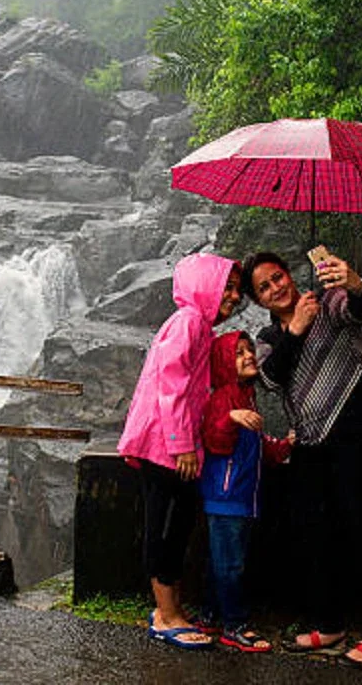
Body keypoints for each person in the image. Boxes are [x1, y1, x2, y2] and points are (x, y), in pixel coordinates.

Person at [241, 249, 362, 669]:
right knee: (312, 530)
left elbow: (361, 310)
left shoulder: (328, 302)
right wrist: (295, 330)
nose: (275, 288)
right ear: (258, 301)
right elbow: (271, 379)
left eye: (277, 278)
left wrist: (355, 282)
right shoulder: (268, 338)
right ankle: (328, 623)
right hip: (313, 440)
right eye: (264, 288)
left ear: (289, 276)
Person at [118, 252, 242, 651]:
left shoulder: (198, 326)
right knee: (166, 527)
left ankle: (170, 610)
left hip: (171, 446)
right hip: (165, 447)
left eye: (238, 290)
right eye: (228, 287)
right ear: (204, 286)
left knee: (178, 523)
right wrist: (182, 444)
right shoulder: (188, 322)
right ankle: (164, 615)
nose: (235, 297)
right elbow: (170, 386)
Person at [197, 331, 293, 653]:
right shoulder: (223, 398)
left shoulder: (245, 395)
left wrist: (282, 448)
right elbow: (213, 437)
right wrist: (230, 418)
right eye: (238, 353)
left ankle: (209, 616)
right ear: (224, 365)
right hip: (226, 498)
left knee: (220, 561)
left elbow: (256, 445)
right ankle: (234, 625)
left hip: (239, 497)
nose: (249, 356)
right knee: (231, 564)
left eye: (249, 350)